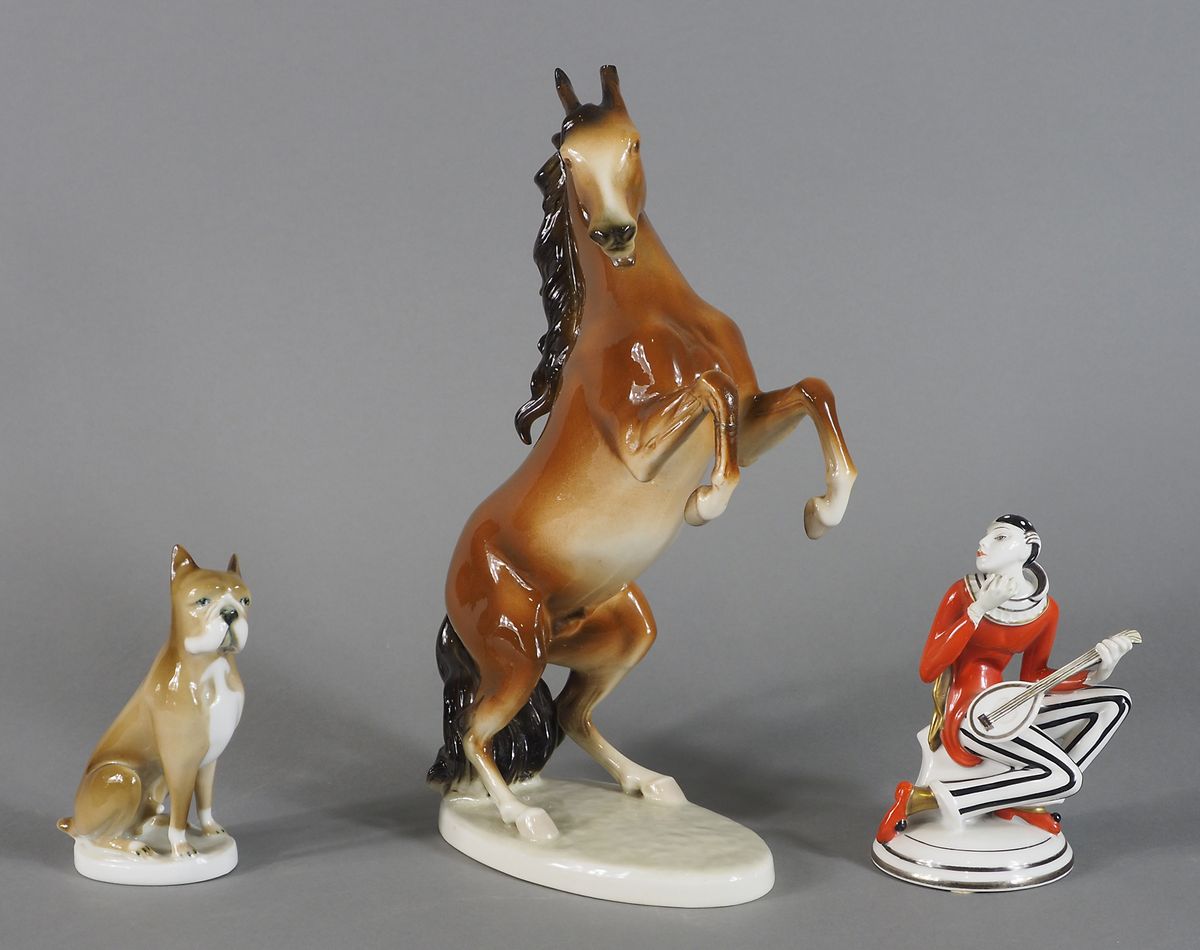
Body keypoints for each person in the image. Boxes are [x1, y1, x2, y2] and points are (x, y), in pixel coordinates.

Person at [876, 515, 1132, 843]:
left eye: (999, 537)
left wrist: (1097, 672)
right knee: (1066, 777)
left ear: (1029, 548)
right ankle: (926, 799)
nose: (982, 543)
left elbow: (1035, 676)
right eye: (986, 536)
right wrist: (978, 610)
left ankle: (1026, 797)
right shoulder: (963, 593)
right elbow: (928, 669)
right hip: (969, 714)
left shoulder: (1045, 609)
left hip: (1009, 704)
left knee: (1115, 702)